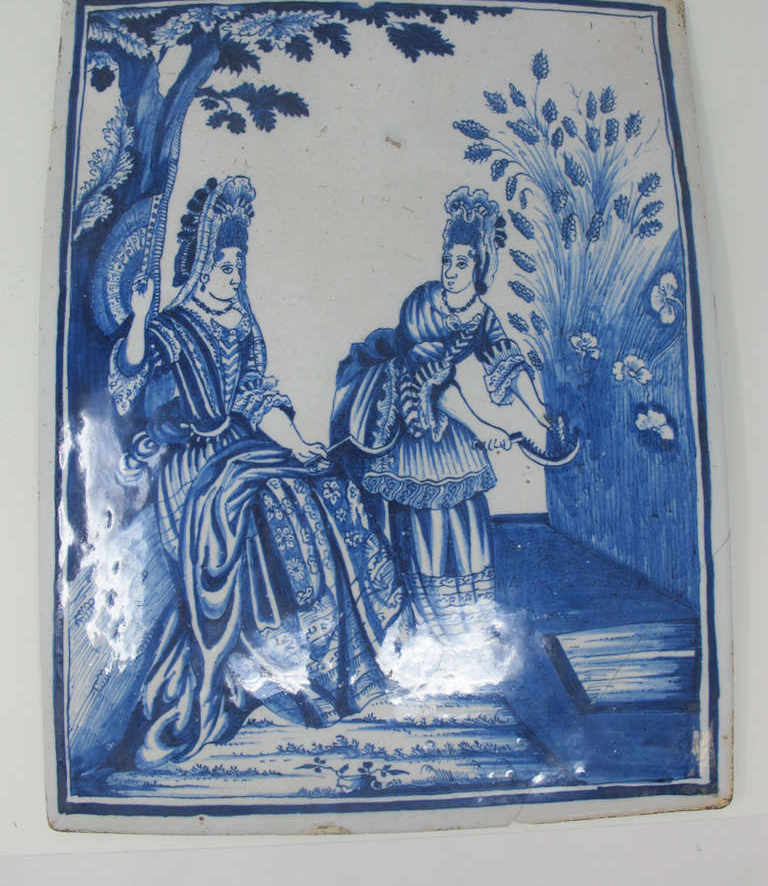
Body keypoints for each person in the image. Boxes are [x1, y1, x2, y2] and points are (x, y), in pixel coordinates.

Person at [108, 175, 403, 768]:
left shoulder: (239, 324)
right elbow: (131, 370)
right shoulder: (174, 326)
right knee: (273, 505)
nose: (233, 276)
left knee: (322, 487)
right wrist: (140, 316)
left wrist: (299, 444)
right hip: (197, 464)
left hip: (245, 445)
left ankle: (345, 665)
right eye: (224, 266)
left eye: (238, 265)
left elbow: (256, 395)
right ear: (200, 267)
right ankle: (274, 667)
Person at [331, 186, 549, 639]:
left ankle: (469, 626)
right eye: (447, 260)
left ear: (480, 267)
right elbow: (433, 381)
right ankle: (427, 628)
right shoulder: (423, 304)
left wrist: (540, 414)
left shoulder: (482, 315)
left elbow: (507, 361)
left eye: (462, 263)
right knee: (426, 521)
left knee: (467, 513)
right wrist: (485, 427)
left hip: (447, 420)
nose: (450, 271)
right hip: (406, 418)